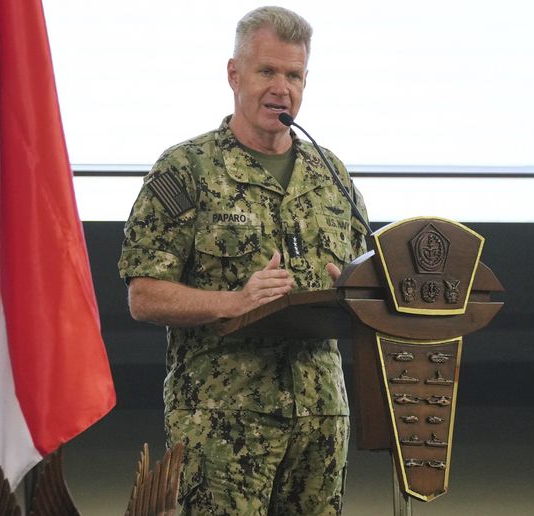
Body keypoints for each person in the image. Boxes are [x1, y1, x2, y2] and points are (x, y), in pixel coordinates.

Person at [118, 6, 369, 515]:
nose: (282, 88)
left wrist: (354, 287)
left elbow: (367, 271)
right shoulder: (186, 169)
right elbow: (143, 296)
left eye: (294, 75)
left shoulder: (330, 174)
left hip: (320, 420)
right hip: (222, 423)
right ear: (234, 75)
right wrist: (235, 301)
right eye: (267, 71)